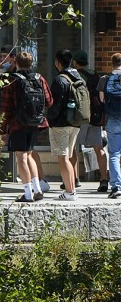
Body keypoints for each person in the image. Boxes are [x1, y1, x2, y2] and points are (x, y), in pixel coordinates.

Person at [0, 50, 53, 203]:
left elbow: (6, 107)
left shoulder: (12, 80)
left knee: (21, 157)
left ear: (15, 62)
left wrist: (2, 129)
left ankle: (28, 193)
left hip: (18, 123)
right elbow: (49, 101)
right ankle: (37, 189)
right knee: (29, 154)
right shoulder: (39, 78)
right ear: (31, 63)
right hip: (35, 123)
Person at [49, 49, 87, 201]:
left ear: (58, 62)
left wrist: (50, 120)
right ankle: (71, 190)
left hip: (61, 124)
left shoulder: (60, 80)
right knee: (69, 157)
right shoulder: (79, 77)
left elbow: (55, 105)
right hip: (75, 123)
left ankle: (70, 192)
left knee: (63, 158)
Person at [74, 50, 107, 193]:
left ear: (75, 62)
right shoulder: (95, 74)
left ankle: (73, 178)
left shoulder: (75, 75)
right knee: (98, 148)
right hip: (95, 116)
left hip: (80, 117)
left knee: (73, 148)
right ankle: (104, 179)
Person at [103, 52, 121, 200]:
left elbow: (102, 99)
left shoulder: (105, 78)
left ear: (112, 63)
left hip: (112, 119)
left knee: (114, 154)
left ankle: (116, 187)